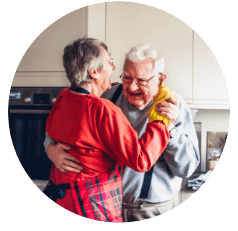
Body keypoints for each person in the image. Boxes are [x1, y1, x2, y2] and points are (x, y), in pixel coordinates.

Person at [44, 42, 200, 222]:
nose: (132, 87)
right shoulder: (106, 95)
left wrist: (169, 129)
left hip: (150, 211)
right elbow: (63, 122)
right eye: (127, 77)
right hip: (101, 203)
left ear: (160, 78)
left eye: (141, 80)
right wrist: (51, 148)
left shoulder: (174, 107)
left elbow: (187, 169)